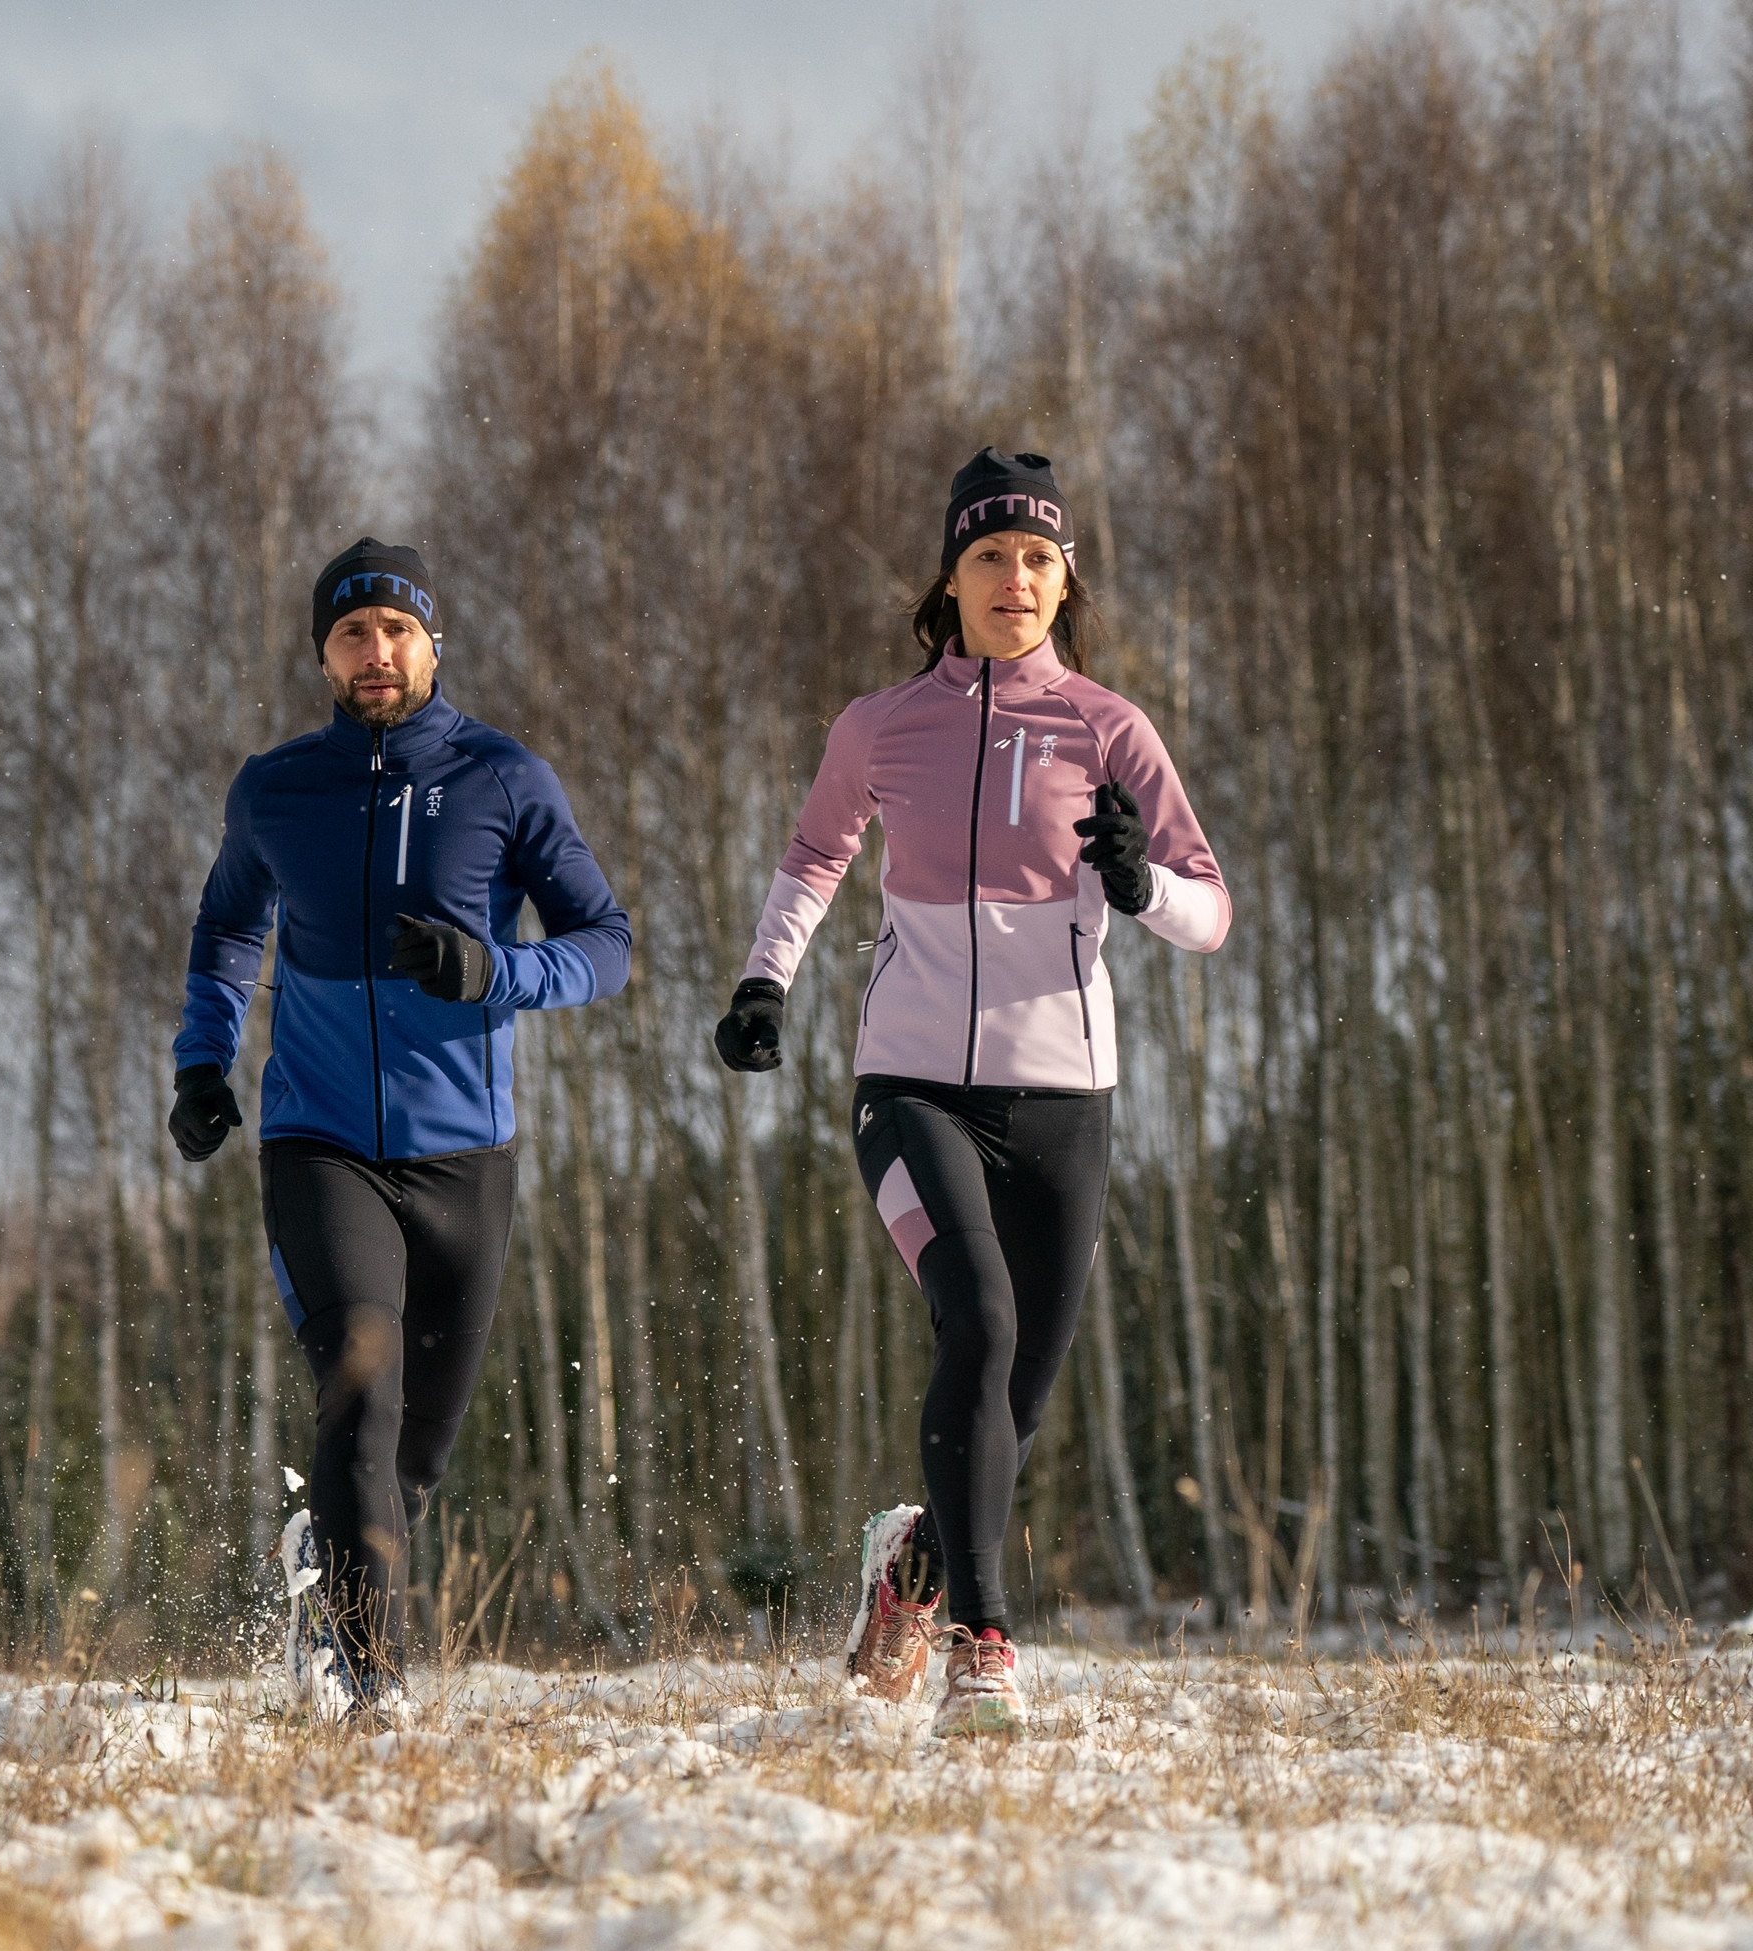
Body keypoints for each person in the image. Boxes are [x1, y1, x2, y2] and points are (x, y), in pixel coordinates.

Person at [714, 450, 1229, 1736]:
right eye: (990, 556)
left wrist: (1137, 887)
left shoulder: (1110, 728)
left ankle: (912, 1566)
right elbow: (812, 852)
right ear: (949, 577)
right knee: (979, 1323)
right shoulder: (880, 724)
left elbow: (1208, 910)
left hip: (1064, 1097)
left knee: (1015, 1398)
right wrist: (763, 981)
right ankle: (981, 1640)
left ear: (1066, 583)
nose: (1015, 579)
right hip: (909, 1086)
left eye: (1039, 560)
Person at [170, 537, 631, 1716]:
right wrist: (203, 1062)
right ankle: (370, 1687)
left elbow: (606, 945)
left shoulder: (502, 778)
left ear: (434, 642)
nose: (374, 654)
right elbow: (227, 929)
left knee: (411, 1463)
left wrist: (494, 970)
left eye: (395, 631)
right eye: (349, 634)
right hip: (318, 1141)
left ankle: (324, 1566)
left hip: (465, 1155)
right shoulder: (277, 787)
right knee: (358, 1395)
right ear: (321, 653)